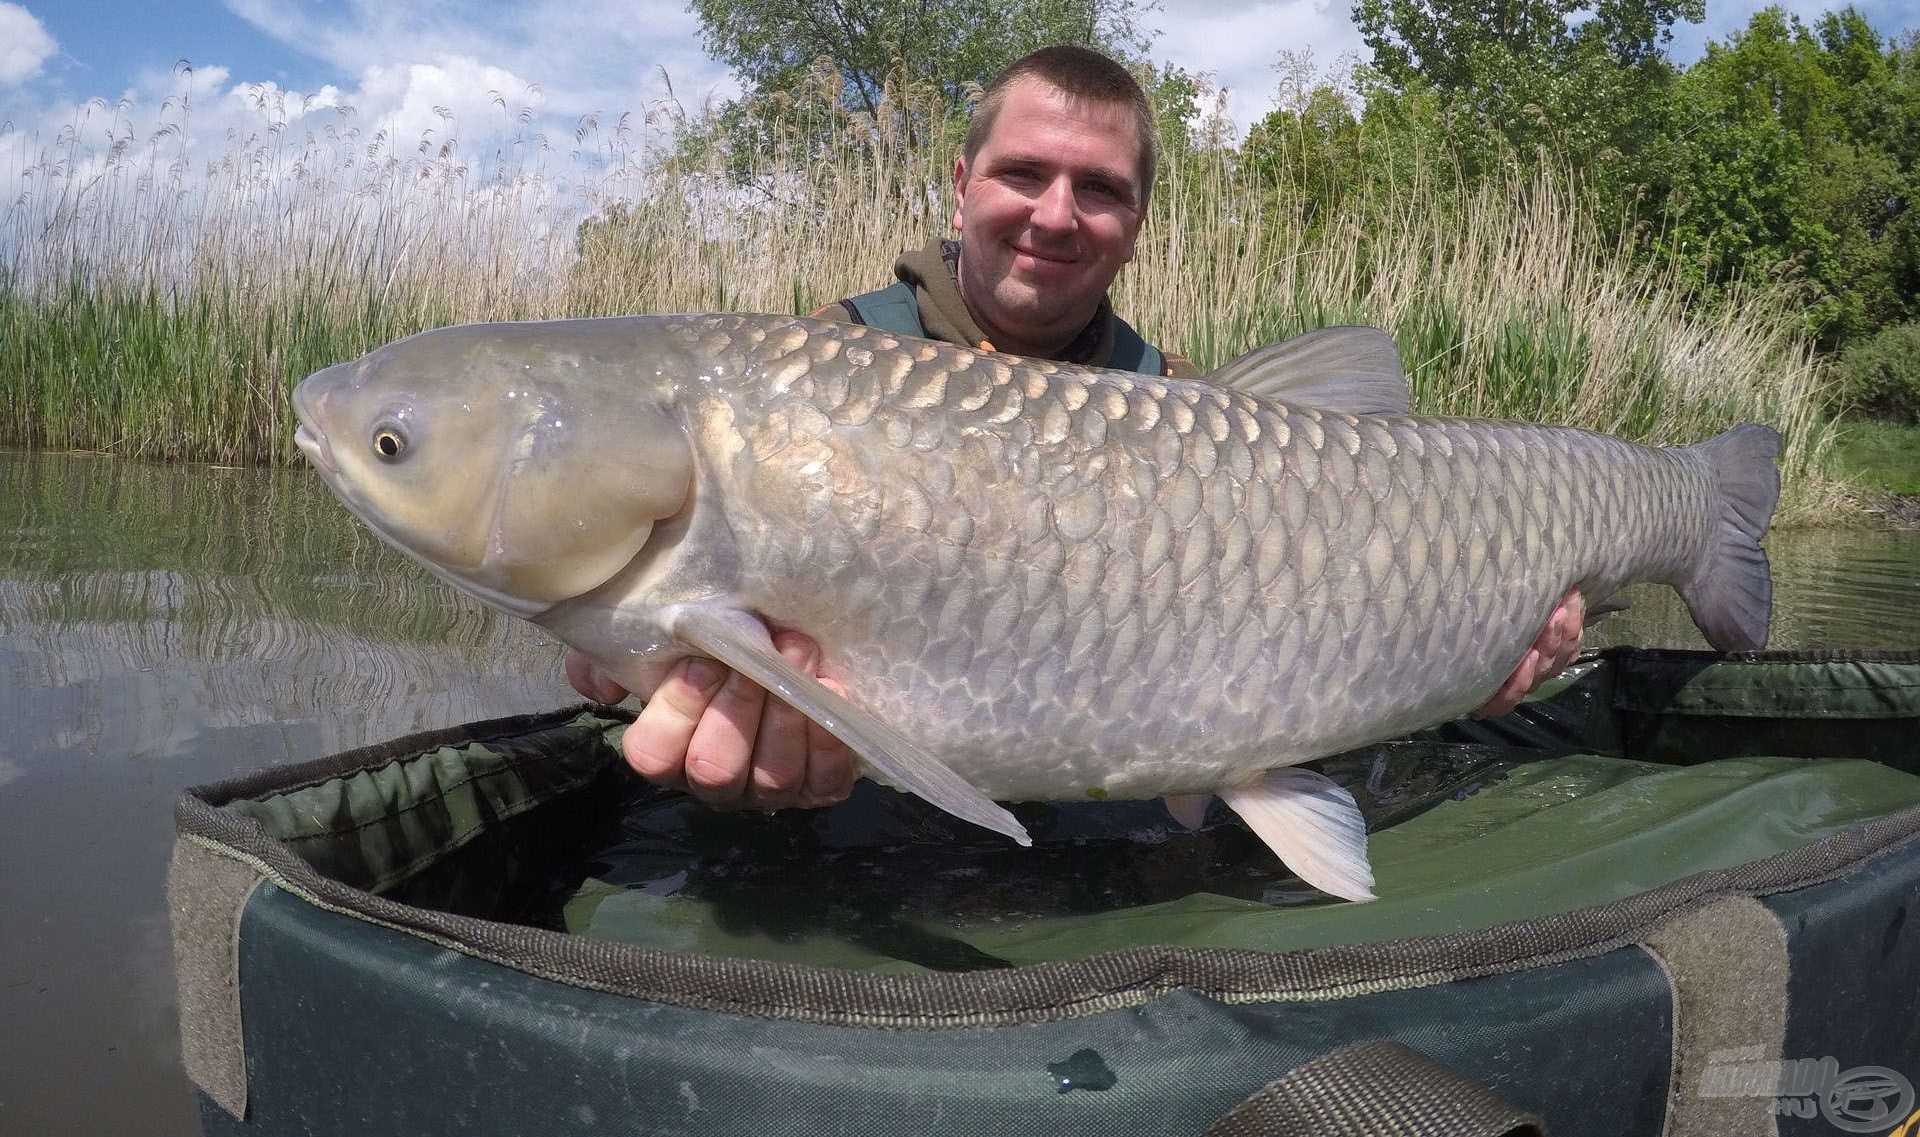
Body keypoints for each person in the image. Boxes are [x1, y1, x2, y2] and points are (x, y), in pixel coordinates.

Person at [566, 46, 1586, 810]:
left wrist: (1475, 657)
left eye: (1100, 190)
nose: (1056, 215)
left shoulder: (1191, 405)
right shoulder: (808, 376)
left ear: (1137, 224)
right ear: (961, 189)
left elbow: (1333, 620)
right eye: (1024, 174)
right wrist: (650, 685)